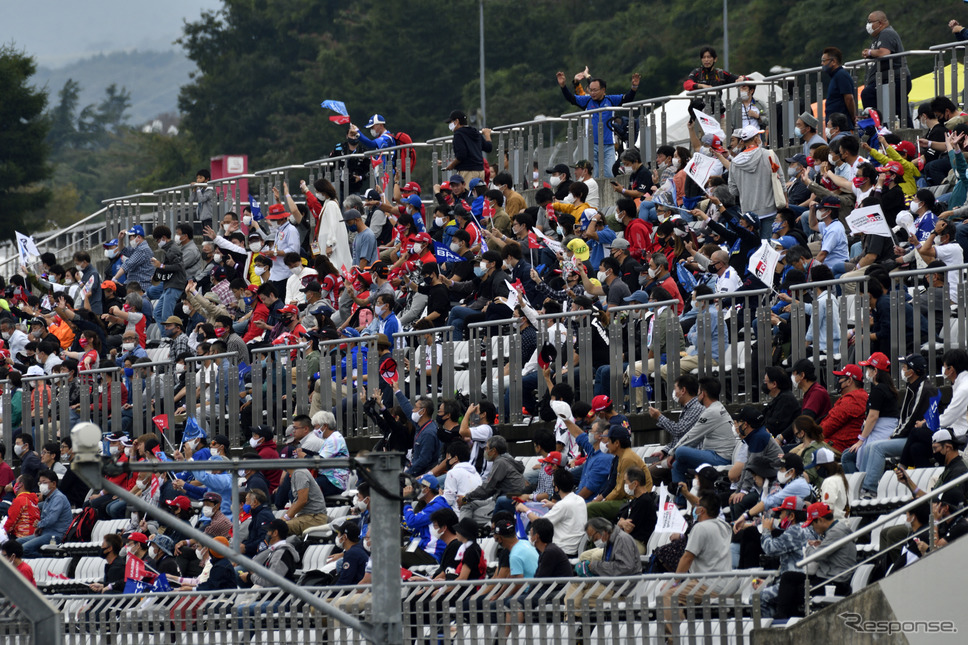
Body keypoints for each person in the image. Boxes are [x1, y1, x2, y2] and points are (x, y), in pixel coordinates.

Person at [660, 494, 731, 634]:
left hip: (709, 584)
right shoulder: (725, 525)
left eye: (697, 506)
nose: (695, 509)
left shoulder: (700, 528)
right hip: (724, 582)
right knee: (679, 597)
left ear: (702, 510)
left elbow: (687, 558)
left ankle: (676, 639)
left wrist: (675, 581)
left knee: (667, 595)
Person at [773, 502, 856, 618]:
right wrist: (821, 544)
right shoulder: (837, 530)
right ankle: (784, 617)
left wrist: (808, 548)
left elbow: (816, 556)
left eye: (813, 523)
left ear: (821, 520)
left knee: (794, 593)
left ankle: (787, 619)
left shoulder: (836, 532)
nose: (812, 527)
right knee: (788, 577)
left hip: (835, 582)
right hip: (827, 577)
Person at [556, 72, 640, 177]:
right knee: (593, 174)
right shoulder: (587, 101)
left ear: (603, 90)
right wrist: (563, 86)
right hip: (591, 144)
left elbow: (627, 98)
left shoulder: (610, 99)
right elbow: (571, 99)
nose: (592, 93)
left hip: (608, 144)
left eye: (595, 90)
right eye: (590, 90)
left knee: (610, 173)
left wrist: (634, 87)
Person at [668, 378, 737, 494]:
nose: (697, 395)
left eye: (698, 392)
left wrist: (673, 452)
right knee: (677, 465)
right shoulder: (717, 407)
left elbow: (692, 436)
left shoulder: (711, 412)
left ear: (703, 393)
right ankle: (680, 502)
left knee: (680, 452)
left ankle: (682, 500)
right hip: (715, 454)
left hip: (720, 457)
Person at [843, 353, 900, 481]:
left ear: (875, 371)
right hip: (887, 431)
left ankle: (860, 485)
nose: (867, 372)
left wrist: (861, 440)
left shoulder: (879, 390)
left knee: (847, 456)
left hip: (881, 433)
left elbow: (873, 417)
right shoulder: (888, 388)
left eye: (869, 368)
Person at [516, 469, 586, 557]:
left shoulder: (562, 505)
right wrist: (553, 505)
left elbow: (539, 524)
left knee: (530, 538)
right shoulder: (580, 500)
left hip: (563, 549)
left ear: (556, 488)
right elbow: (568, 509)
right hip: (574, 547)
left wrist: (525, 509)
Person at [861, 11, 912, 126]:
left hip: (894, 79)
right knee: (899, 109)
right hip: (887, 80)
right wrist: (871, 54)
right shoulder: (879, 36)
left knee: (868, 94)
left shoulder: (887, 33)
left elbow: (884, 52)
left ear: (879, 23)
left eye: (870, 22)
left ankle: (875, 127)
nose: (868, 25)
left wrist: (870, 51)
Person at [17, 469, 72, 557]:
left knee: (23, 549)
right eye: (40, 483)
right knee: (16, 544)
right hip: (45, 533)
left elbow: (52, 519)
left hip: (55, 535)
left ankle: (46, 560)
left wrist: (39, 524)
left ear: (54, 484)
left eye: (44, 482)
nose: (42, 485)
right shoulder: (48, 499)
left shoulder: (59, 498)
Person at [402, 474, 452, 567]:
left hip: (431, 554)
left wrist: (407, 501)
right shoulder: (431, 504)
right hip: (422, 548)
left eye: (419, 487)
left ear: (427, 489)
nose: (416, 490)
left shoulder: (437, 506)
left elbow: (411, 522)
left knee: (387, 554)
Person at [821, 364, 869, 453]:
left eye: (840, 378)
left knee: (800, 455)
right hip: (832, 443)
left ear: (849, 381)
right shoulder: (854, 396)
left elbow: (829, 426)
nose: (837, 381)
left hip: (838, 446)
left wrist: (813, 436)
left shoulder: (853, 399)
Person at [445, 110, 492, 183]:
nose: (450, 125)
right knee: (478, 193)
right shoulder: (475, 131)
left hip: (467, 172)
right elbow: (488, 148)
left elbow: (461, 155)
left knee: (468, 193)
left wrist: (451, 165)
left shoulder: (458, 134)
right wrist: (487, 135)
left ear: (457, 121)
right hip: (480, 171)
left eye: (451, 122)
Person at [282, 461, 329, 536]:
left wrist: (286, 518)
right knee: (276, 525)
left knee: (278, 529)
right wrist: (283, 518)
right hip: (308, 517)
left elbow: (302, 500)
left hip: (314, 518)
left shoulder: (299, 473)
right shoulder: (297, 472)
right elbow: (296, 501)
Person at [821, 47, 857, 123]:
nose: (822, 63)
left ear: (833, 61)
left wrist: (853, 117)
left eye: (824, 61)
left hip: (841, 126)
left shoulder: (841, 75)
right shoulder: (835, 76)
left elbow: (849, 98)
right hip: (835, 125)